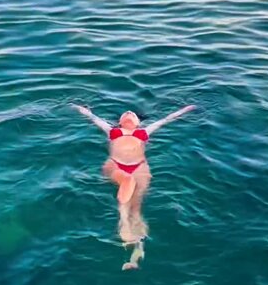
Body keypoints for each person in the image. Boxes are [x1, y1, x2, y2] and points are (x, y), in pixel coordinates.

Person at [72, 104, 195, 261]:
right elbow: (94, 118)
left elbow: (165, 120)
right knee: (127, 181)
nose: (129, 113)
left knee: (136, 207)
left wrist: (185, 110)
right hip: (115, 165)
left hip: (140, 167)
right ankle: (123, 219)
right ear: (119, 122)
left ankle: (138, 247)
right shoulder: (112, 130)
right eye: (125, 114)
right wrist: (80, 108)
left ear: (138, 123)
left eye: (133, 114)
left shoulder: (144, 132)